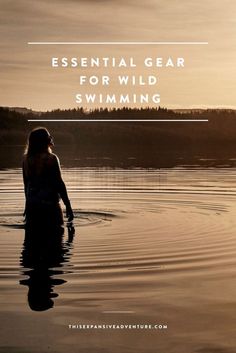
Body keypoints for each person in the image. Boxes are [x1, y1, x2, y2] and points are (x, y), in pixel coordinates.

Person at [22, 127, 74, 227]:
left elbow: (26, 186)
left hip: (32, 209)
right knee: (55, 239)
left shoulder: (26, 160)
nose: (50, 138)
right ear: (45, 141)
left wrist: (27, 206)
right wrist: (68, 206)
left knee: (32, 241)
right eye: (48, 136)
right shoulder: (52, 158)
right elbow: (60, 184)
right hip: (50, 209)